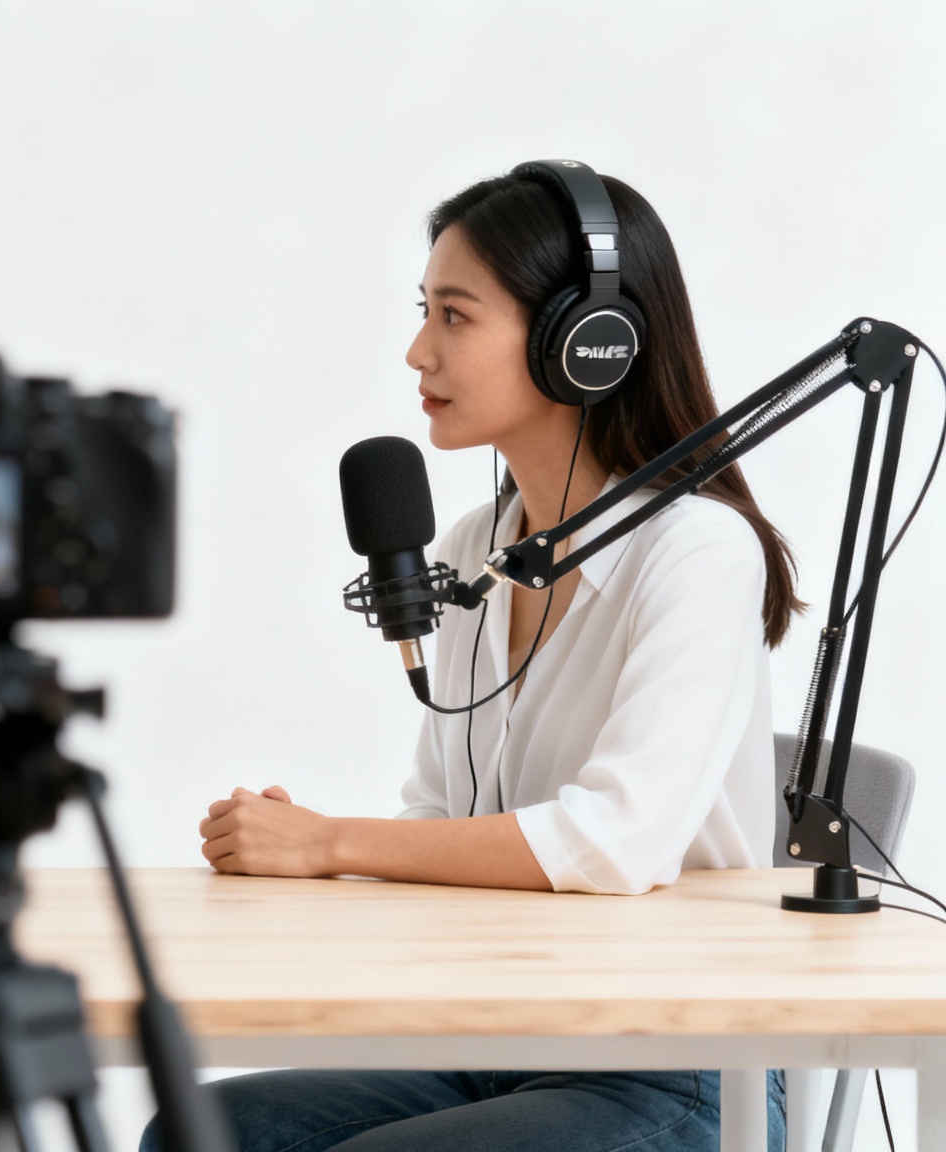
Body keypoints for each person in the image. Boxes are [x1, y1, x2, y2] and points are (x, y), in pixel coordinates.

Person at [147, 165, 802, 1151]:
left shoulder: (697, 552)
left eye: (453, 316)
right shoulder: (469, 552)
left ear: (584, 341)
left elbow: (611, 842)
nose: (417, 351)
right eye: (423, 311)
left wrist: (332, 843)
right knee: (205, 1132)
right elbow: (435, 821)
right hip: (495, 1037)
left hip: (677, 1068)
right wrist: (317, 853)